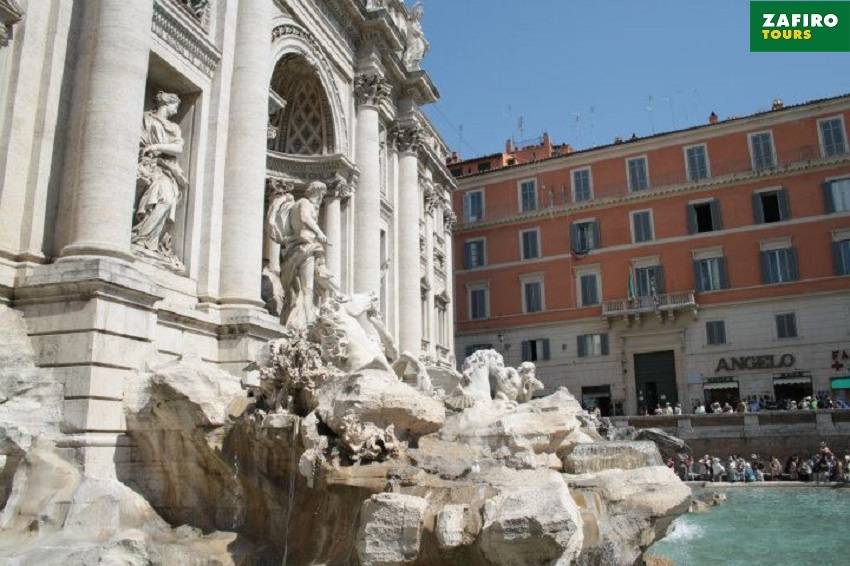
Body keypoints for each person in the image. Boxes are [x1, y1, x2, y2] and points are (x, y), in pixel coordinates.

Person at [132, 91, 188, 270]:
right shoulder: (146, 119)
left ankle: (148, 239)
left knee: (166, 200)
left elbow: (178, 148)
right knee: (162, 198)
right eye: (175, 106)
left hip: (167, 168)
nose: (176, 110)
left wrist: (156, 146)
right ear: (167, 103)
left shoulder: (174, 127)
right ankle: (142, 237)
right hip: (148, 165)